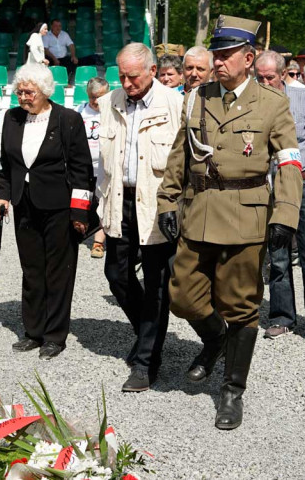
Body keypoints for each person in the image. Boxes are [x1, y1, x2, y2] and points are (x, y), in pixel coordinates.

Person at [157, 16, 302, 431]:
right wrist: (168, 201)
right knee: (182, 296)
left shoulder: (272, 103)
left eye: (225, 55)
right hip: (199, 209)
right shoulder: (198, 96)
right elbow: (180, 152)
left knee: (241, 307)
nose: (218, 62)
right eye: (215, 55)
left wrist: (285, 214)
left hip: (246, 215)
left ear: (249, 58)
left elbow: (289, 162)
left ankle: (232, 390)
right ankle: (216, 339)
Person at [96, 44, 183, 392]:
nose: (127, 83)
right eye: (122, 76)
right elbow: (102, 165)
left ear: (151, 70)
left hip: (157, 205)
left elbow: (184, 164)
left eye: (133, 76)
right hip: (119, 201)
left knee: (157, 283)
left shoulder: (175, 105)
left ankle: (147, 361)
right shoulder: (110, 102)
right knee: (115, 273)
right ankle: (148, 332)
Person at [0, 63, 93, 361]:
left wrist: (80, 213)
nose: (24, 97)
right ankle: (33, 331)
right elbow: (6, 165)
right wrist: (3, 196)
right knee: (32, 269)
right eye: (20, 92)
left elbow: (82, 171)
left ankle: (54, 335)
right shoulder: (12, 119)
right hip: (24, 204)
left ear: (45, 91)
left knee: (58, 272)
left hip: (59, 207)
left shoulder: (68, 119)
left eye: (30, 92)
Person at [254, 51, 305, 346]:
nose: (265, 82)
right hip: (271, 186)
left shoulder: (303, 99)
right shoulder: (253, 102)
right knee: (277, 256)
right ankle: (281, 317)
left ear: (284, 74)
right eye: (260, 77)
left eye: (270, 77)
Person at [76, 77, 109, 258]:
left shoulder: (113, 112)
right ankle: (79, 231)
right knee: (81, 201)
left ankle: (98, 242)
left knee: (103, 203)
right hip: (84, 167)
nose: (96, 101)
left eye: (100, 97)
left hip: (105, 167)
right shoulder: (80, 111)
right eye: (92, 97)